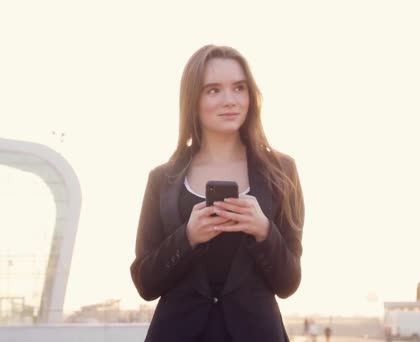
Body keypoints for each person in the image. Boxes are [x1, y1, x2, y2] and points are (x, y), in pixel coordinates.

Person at [130, 44, 305, 341]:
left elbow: (288, 282)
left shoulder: (281, 172)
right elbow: (145, 283)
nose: (230, 100)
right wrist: (187, 238)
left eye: (239, 88)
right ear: (193, 100)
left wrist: (263, 231)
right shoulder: (163, 179)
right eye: (213, 90)